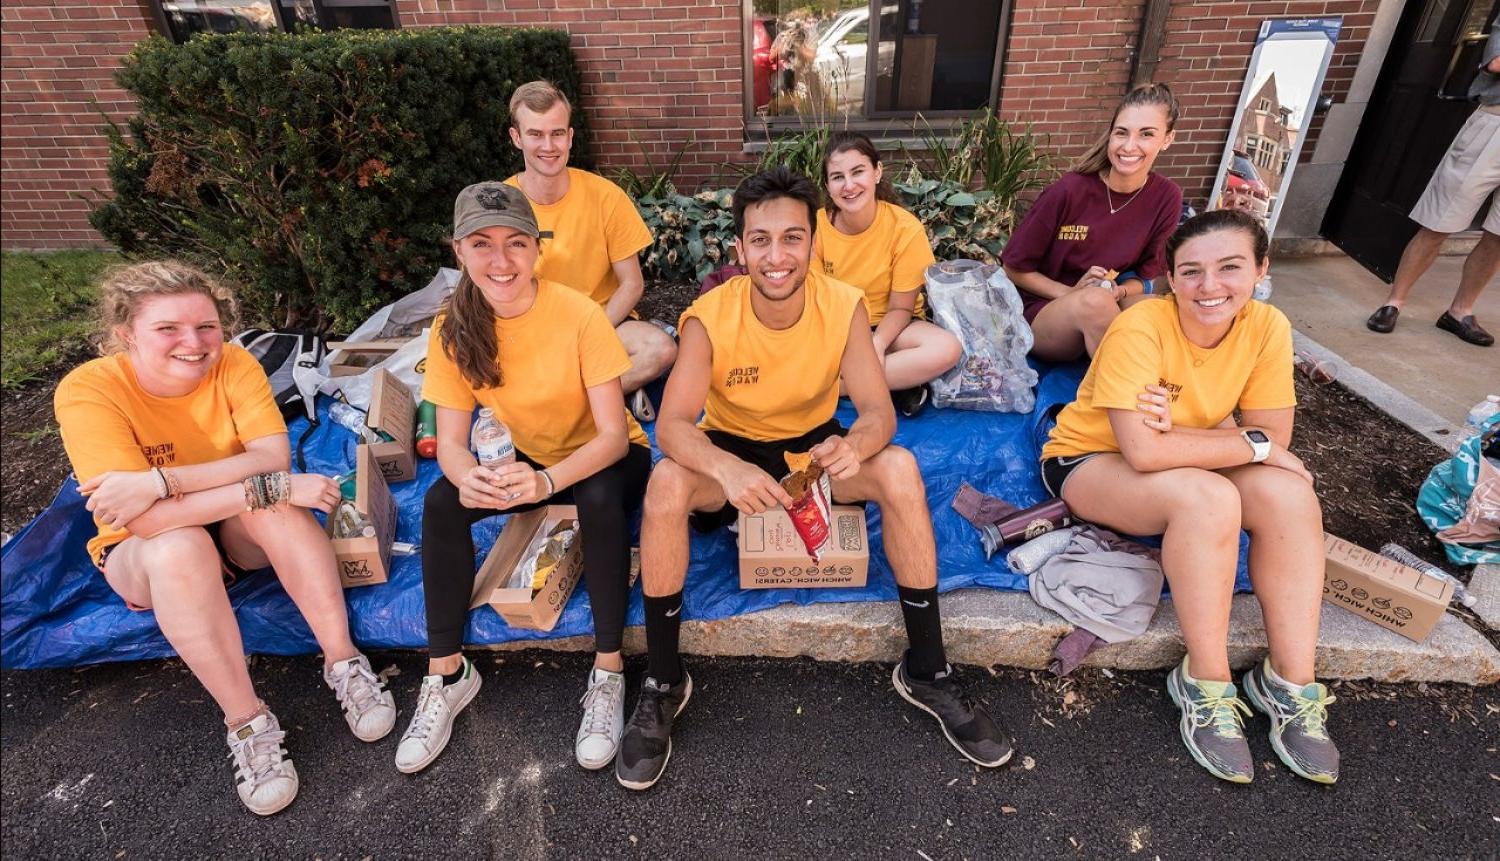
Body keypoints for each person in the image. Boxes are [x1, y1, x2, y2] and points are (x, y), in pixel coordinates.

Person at [614, 168, 1013, 791]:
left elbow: (879, 412)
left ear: (813, 245)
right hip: (732, 455)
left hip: (811, 451)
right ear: (740, 249)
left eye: (793, 238)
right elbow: (671, 426)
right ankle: (665, 679)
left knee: (902, 468)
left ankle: (928, 670)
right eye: (762, 241)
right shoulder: (707, 317)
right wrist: (726, 466)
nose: (778, 257)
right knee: (666, 484)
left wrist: (856, 445)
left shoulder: (844, 304)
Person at [52, 261, 396, 816]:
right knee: (185, 540)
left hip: (224, 527)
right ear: (126, 334)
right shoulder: (90, 390)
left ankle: (344, 661)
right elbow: (145, 522)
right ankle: (248, 721)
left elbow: (269, 456)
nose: (194, 343)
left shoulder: (233, 362)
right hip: (145, 551)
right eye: (169, 329)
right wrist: (263, 487)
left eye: (207, 326)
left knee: (276, 506)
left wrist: (163, 481)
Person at [1041, 209, 1339, 785]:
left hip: (1192, 453)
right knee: (1210, 500)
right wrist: (1235, 441)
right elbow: (1143, 453)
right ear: (1171, 279)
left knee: (1290, 493)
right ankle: (1205, 682)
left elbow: (1272, 440)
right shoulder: (1140, 327)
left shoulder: (1268, 327)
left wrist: (1193, 436)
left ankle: (1290, 682)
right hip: (1091, 461)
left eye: (1229, 268)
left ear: (1260, 269)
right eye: (1191, 272)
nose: (1210, 287)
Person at [395, 181, 653, 775]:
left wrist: (543, 483)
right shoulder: (452, 328)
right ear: (458, 251)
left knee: (598, 498)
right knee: (440, 503)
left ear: (538, 250)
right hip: (527, 461)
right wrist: (470, 479)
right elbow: (453, 446)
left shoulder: (579, 314)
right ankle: (447, 672)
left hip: (601, 457)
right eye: (481, 244)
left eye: (516, 243)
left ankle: (609, 668)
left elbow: (614, 436)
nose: (501, 260)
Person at [504, 80, 678, 417]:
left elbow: (632, 283)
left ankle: (569, 404)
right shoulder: (502, 205)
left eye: (556, 133)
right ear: (517, 138)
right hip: (532, 331)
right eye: (535, 134)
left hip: (602, 322)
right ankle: (609, 395)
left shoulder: (605, 196)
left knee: (660, 349)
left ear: (570, 137)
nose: (548, 145)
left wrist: (587, 333)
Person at [1002, 83, 1184, 361]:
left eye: (1146, 134)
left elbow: (1147, 277)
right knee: (1095, 302)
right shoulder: (1069, 190)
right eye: (1121, 133)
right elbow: (1013, 268)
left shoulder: (1166, 196)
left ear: (1168, 139)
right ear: (1110, 135)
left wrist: (1118, 289)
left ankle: (1175, 386)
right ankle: (1128, 394)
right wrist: (1072, 293)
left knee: (1161, 311)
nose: (1129, 146)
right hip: (1043, 311)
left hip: (1107, 299)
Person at [1365, 26, 1500, 347]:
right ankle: (1393, 302)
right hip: (1493, 126)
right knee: (1438, 222)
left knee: (1498, 237)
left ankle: (1459, 311)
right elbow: (1495, 62)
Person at [815, 131, 962, 416]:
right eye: (837, 177)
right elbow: (817, 303)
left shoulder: (905, 229)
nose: (849, 185)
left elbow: (901, 308)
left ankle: (835, 389)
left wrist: (876, 346)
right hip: (837, 328)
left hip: (893, 327)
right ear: (827, 185)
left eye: (858, 172)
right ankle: (899, 381)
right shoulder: (816, 227)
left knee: (946, 348)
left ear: (877, 172)